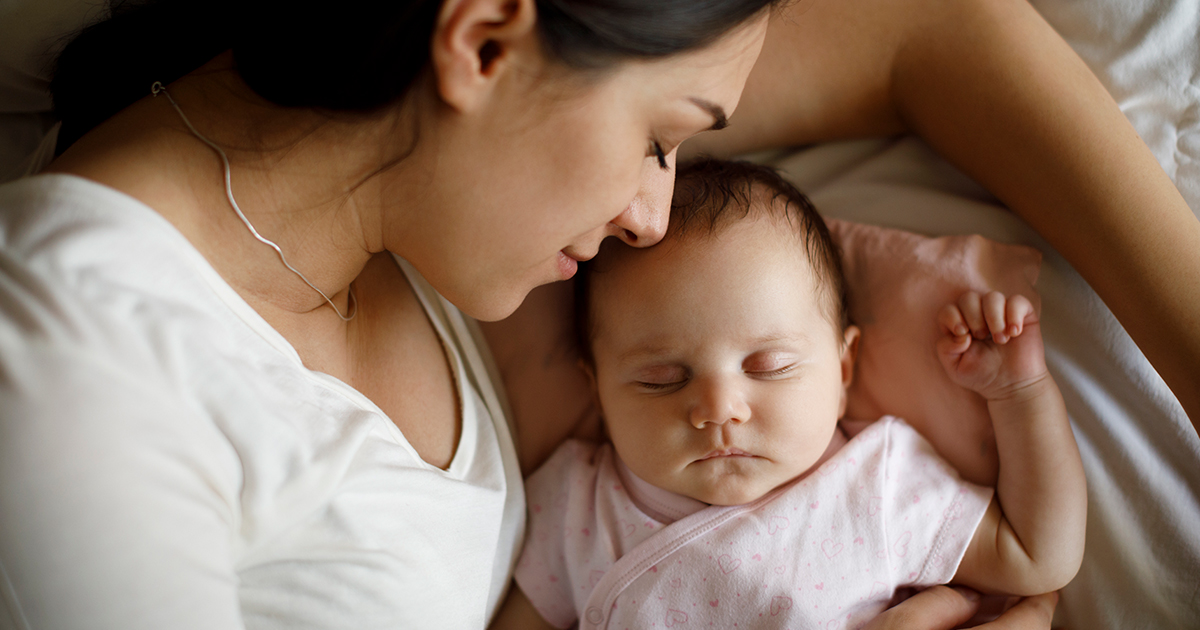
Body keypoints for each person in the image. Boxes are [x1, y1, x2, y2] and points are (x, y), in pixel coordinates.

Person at [0, 0, 1169, 627]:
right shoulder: (77, 352)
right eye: (661, 139)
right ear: (486, 40)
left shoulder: (392, 169)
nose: (653, 217)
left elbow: (935, 24)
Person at [488, 160, 1087, 629]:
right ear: (597, 389)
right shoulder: (576, 506)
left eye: (770, 366)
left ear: (844, 366)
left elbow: (1038, 554)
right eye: (660, 380)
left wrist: (1019, 393)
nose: (720, 409)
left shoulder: (875, 487)